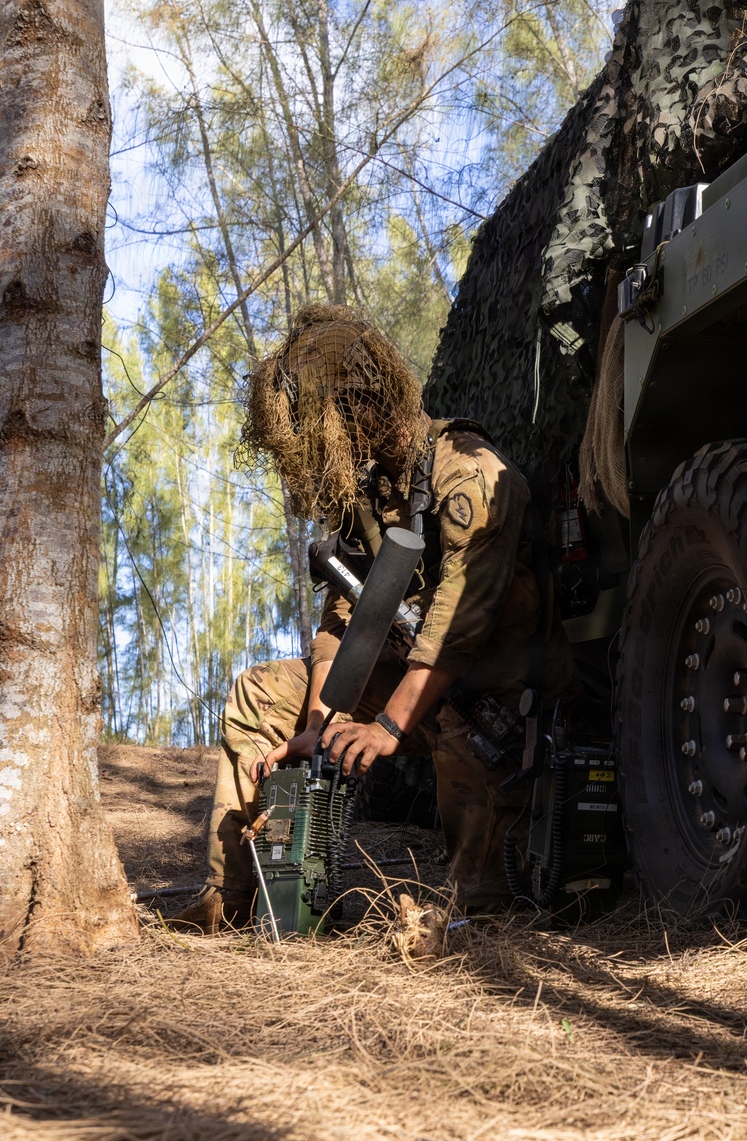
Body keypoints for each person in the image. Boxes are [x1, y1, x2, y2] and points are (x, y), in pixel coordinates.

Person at [173, 303, 573, 931]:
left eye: (322, 423)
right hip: (412, 690)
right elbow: (340, 619)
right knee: (261, 695)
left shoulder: (469, 476)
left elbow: (456, 626)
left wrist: (385, 727)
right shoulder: (368, 493)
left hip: (493, 704)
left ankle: (474, 911)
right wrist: (319, 724)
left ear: (365, 406)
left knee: (484, 908)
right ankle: (233, 895)